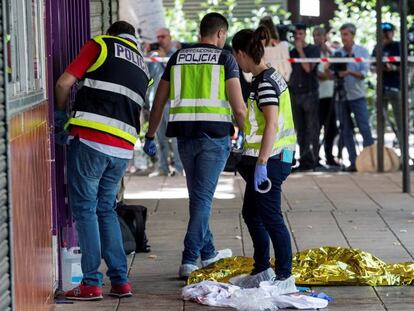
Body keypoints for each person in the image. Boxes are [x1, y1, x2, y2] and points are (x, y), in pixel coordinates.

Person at [143, 12, 247, 279]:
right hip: (214, 138)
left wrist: (150, 135)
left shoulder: (178, 58)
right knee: (202, 200)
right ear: (221, 34)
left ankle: (209, 252)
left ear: (201, 31)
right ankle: (189, 259)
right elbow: (238, 107)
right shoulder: (226, 59)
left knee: (199, 198)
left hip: (185, 138)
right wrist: (250, 135)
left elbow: (159, 101)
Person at [54, 21, 152, 300]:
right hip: (122, 149)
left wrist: (61, 116)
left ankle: (91, 283)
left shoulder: (101, 45)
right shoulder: (143, 67)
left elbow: (63, 83)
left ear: (112, 34)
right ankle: (120, 281)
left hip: (91, 141)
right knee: (105, 209)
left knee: (85, 210)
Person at [229, 27, 297, 291]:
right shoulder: (265, 78)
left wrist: (261, 163)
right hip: (269, 158)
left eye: (236, 57)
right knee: (252, 213)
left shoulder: (265, 82)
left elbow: (270, 124)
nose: (236, 63)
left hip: (270, 160)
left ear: (241, 53)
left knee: (270, 217)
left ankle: (283, 276)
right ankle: (262, 270)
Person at [336, 23, 374, 172]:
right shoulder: (337, 53)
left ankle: (370, 161)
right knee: (345, 130)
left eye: (346, 34)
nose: (343, 37)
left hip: (357, 96)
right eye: (342, 34)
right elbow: (332, 72)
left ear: (353, 35)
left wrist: (348, 72)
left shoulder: (362, 52)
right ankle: (353, 162)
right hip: (341, 96)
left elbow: (364, 74)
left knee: (364, 128)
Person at [146, 27, 184, 177]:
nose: (160, 40)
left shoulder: (176, 55)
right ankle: (163, 168)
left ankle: (179, 169)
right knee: (159, 138)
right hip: (155, 103)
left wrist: (163, 60)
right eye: (158, 37)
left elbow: (175, 75)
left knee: (174, 139)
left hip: (171, 103)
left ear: (170, 37)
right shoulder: (153, 57)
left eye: (163, 36)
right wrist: (146, 54)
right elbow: (149, 78)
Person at [289, 23, 320, 171]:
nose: (298, 37)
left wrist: (301, 50)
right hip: (295, 93)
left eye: (300, 34)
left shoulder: (313, 49)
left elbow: (308, 68)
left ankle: (315, 159)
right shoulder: (290, 52)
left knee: (312, 128)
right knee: (300, 129)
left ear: (305, 34)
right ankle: (304, 159)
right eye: (296, 35)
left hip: (310, 93)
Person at [372, 22, 402, 146]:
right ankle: (381, 152)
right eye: (383, 33)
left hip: (395, 87)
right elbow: (372, 66)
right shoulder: (377, 47)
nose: (385, 35)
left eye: (388, 32)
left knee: (399, 120)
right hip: (381, 87)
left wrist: (393, 68)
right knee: (380, 120)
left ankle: (403, 151)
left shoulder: (398, 46)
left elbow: (405, 67)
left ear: (393, 33)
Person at [313, 26, 339, 166]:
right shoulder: (312, 52)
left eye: (319, 35)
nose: (317, 38)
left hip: (330, 95)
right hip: (317, 96)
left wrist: (327, 48)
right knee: (316, 128)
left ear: (325, 37)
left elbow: (336, 64)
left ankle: (329, 155)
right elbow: (318, 74)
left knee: (331, 128)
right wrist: (327, 76)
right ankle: (315, 157)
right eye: (314, 35)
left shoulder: (330, 52)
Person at [259, 16, 292, 82]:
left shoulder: (258, 47)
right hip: (280, 82)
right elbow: (288, 68)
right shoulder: (283, 45)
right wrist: (285, 79)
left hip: (263, 81)